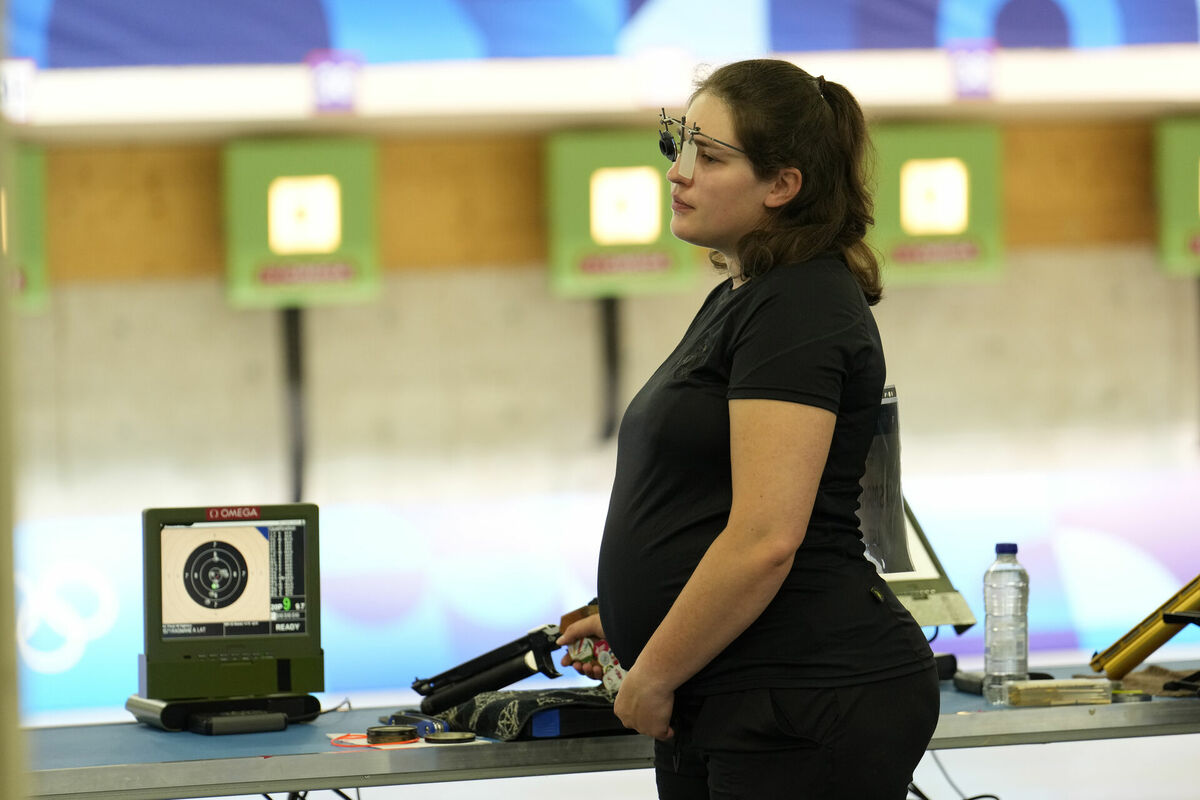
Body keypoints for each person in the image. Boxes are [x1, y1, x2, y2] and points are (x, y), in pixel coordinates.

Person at [557, 59, 939, 799]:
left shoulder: (799, 305)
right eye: (680, 143)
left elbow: (767, 538)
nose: (678, 172)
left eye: (709, 154)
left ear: (782, 185)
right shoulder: (749, 295)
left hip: (798, 696)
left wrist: (656, 670)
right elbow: (710, 500)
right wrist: (637, 616)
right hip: (739, 691)